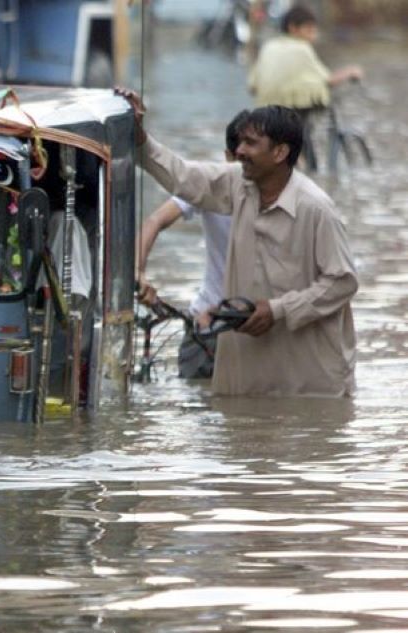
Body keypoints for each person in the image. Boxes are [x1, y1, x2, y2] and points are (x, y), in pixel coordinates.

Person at [116, 88, 358, 397]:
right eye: (240, 142)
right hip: (248, 375)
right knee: (238, 437)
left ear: (280, 153)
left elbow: (343, 282)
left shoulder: (316, 209)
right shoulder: (238, 184)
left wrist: (278, 310)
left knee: (303, 439)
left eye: (250, 143)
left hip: (307, 380)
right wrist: (140, 138)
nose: (239, 151)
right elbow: (183, 177)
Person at [136, 110, 248, 378]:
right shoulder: (213, 185)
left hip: (253, 328)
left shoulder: (286, 199)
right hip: (206, 326)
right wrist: (138, 272)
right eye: (241, 160)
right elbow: (155, 221)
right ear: (228, 158)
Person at [248, 4, 363, 170]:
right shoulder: (302, 48)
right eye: (309, 30)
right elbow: (328, 79)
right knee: (303, 136)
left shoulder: (269, 47)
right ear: (293, 28)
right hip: (293, 108)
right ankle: (309, 169)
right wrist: (351, 72)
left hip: (266, 111)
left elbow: (252, 86)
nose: (313, 36)